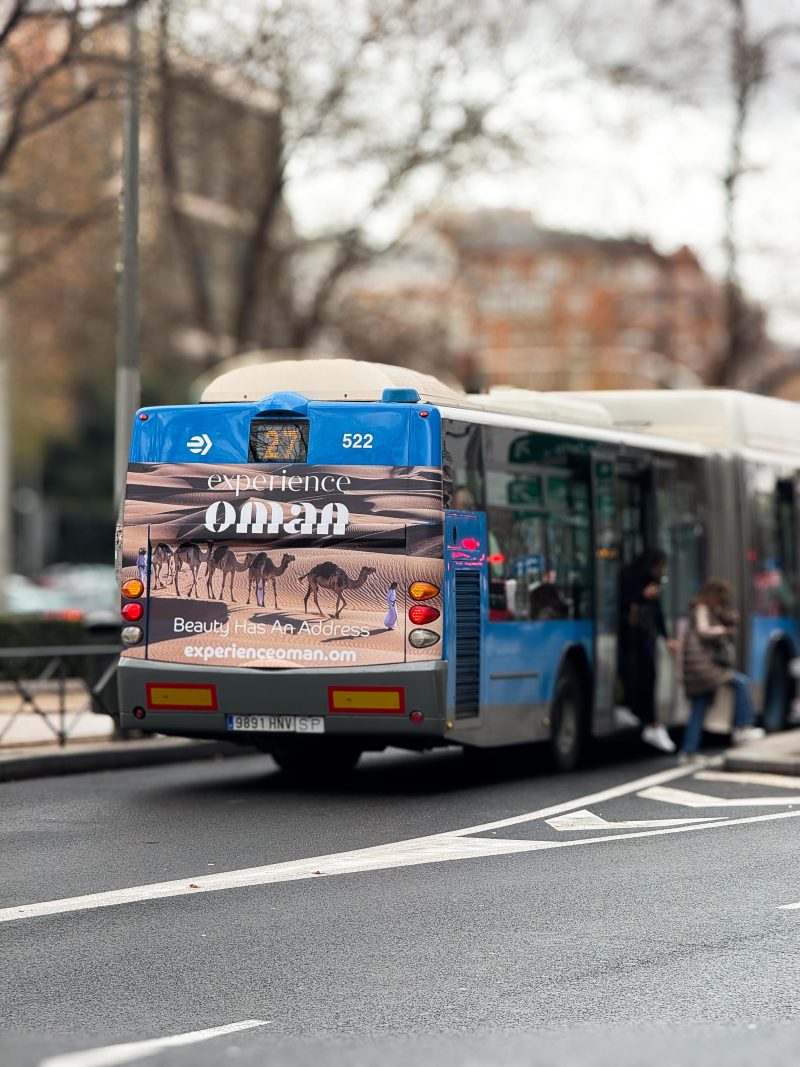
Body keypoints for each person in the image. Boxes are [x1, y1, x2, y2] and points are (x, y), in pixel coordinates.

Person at [680, 578, 764, 763]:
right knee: (740, 682)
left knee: (699, 706)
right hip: (702, 666)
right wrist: (724, 629)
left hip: (697, 667)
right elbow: (704, 630)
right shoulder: (701, 608)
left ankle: (688, 751)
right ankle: (743, 726)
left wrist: (728, 620)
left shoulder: (707, 609)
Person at [618, 548, 679, 753]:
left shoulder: (652, 581)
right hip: (631, 638)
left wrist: (667, 636)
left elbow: (657, 611)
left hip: (646, 636)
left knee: (649, 676)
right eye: (660, 565)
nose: (662, 570)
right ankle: (642, 717)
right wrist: (641, 595)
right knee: (637, 674)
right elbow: (618, 602)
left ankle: (650, 722)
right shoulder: (630, 577)